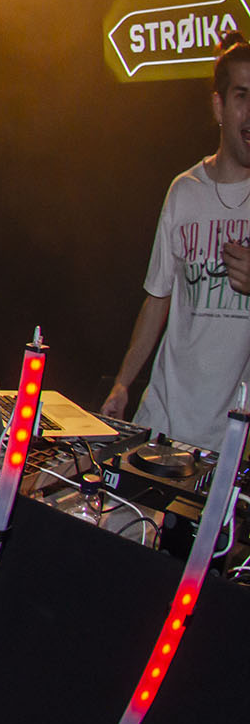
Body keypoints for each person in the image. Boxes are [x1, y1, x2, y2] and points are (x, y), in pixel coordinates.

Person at [102, 33, 250, 450]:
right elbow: (158, 299)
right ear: (219, 106)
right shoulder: (184, 190)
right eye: (242, 96)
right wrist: (122, 383)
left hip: (228, 442)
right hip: (161, 422)